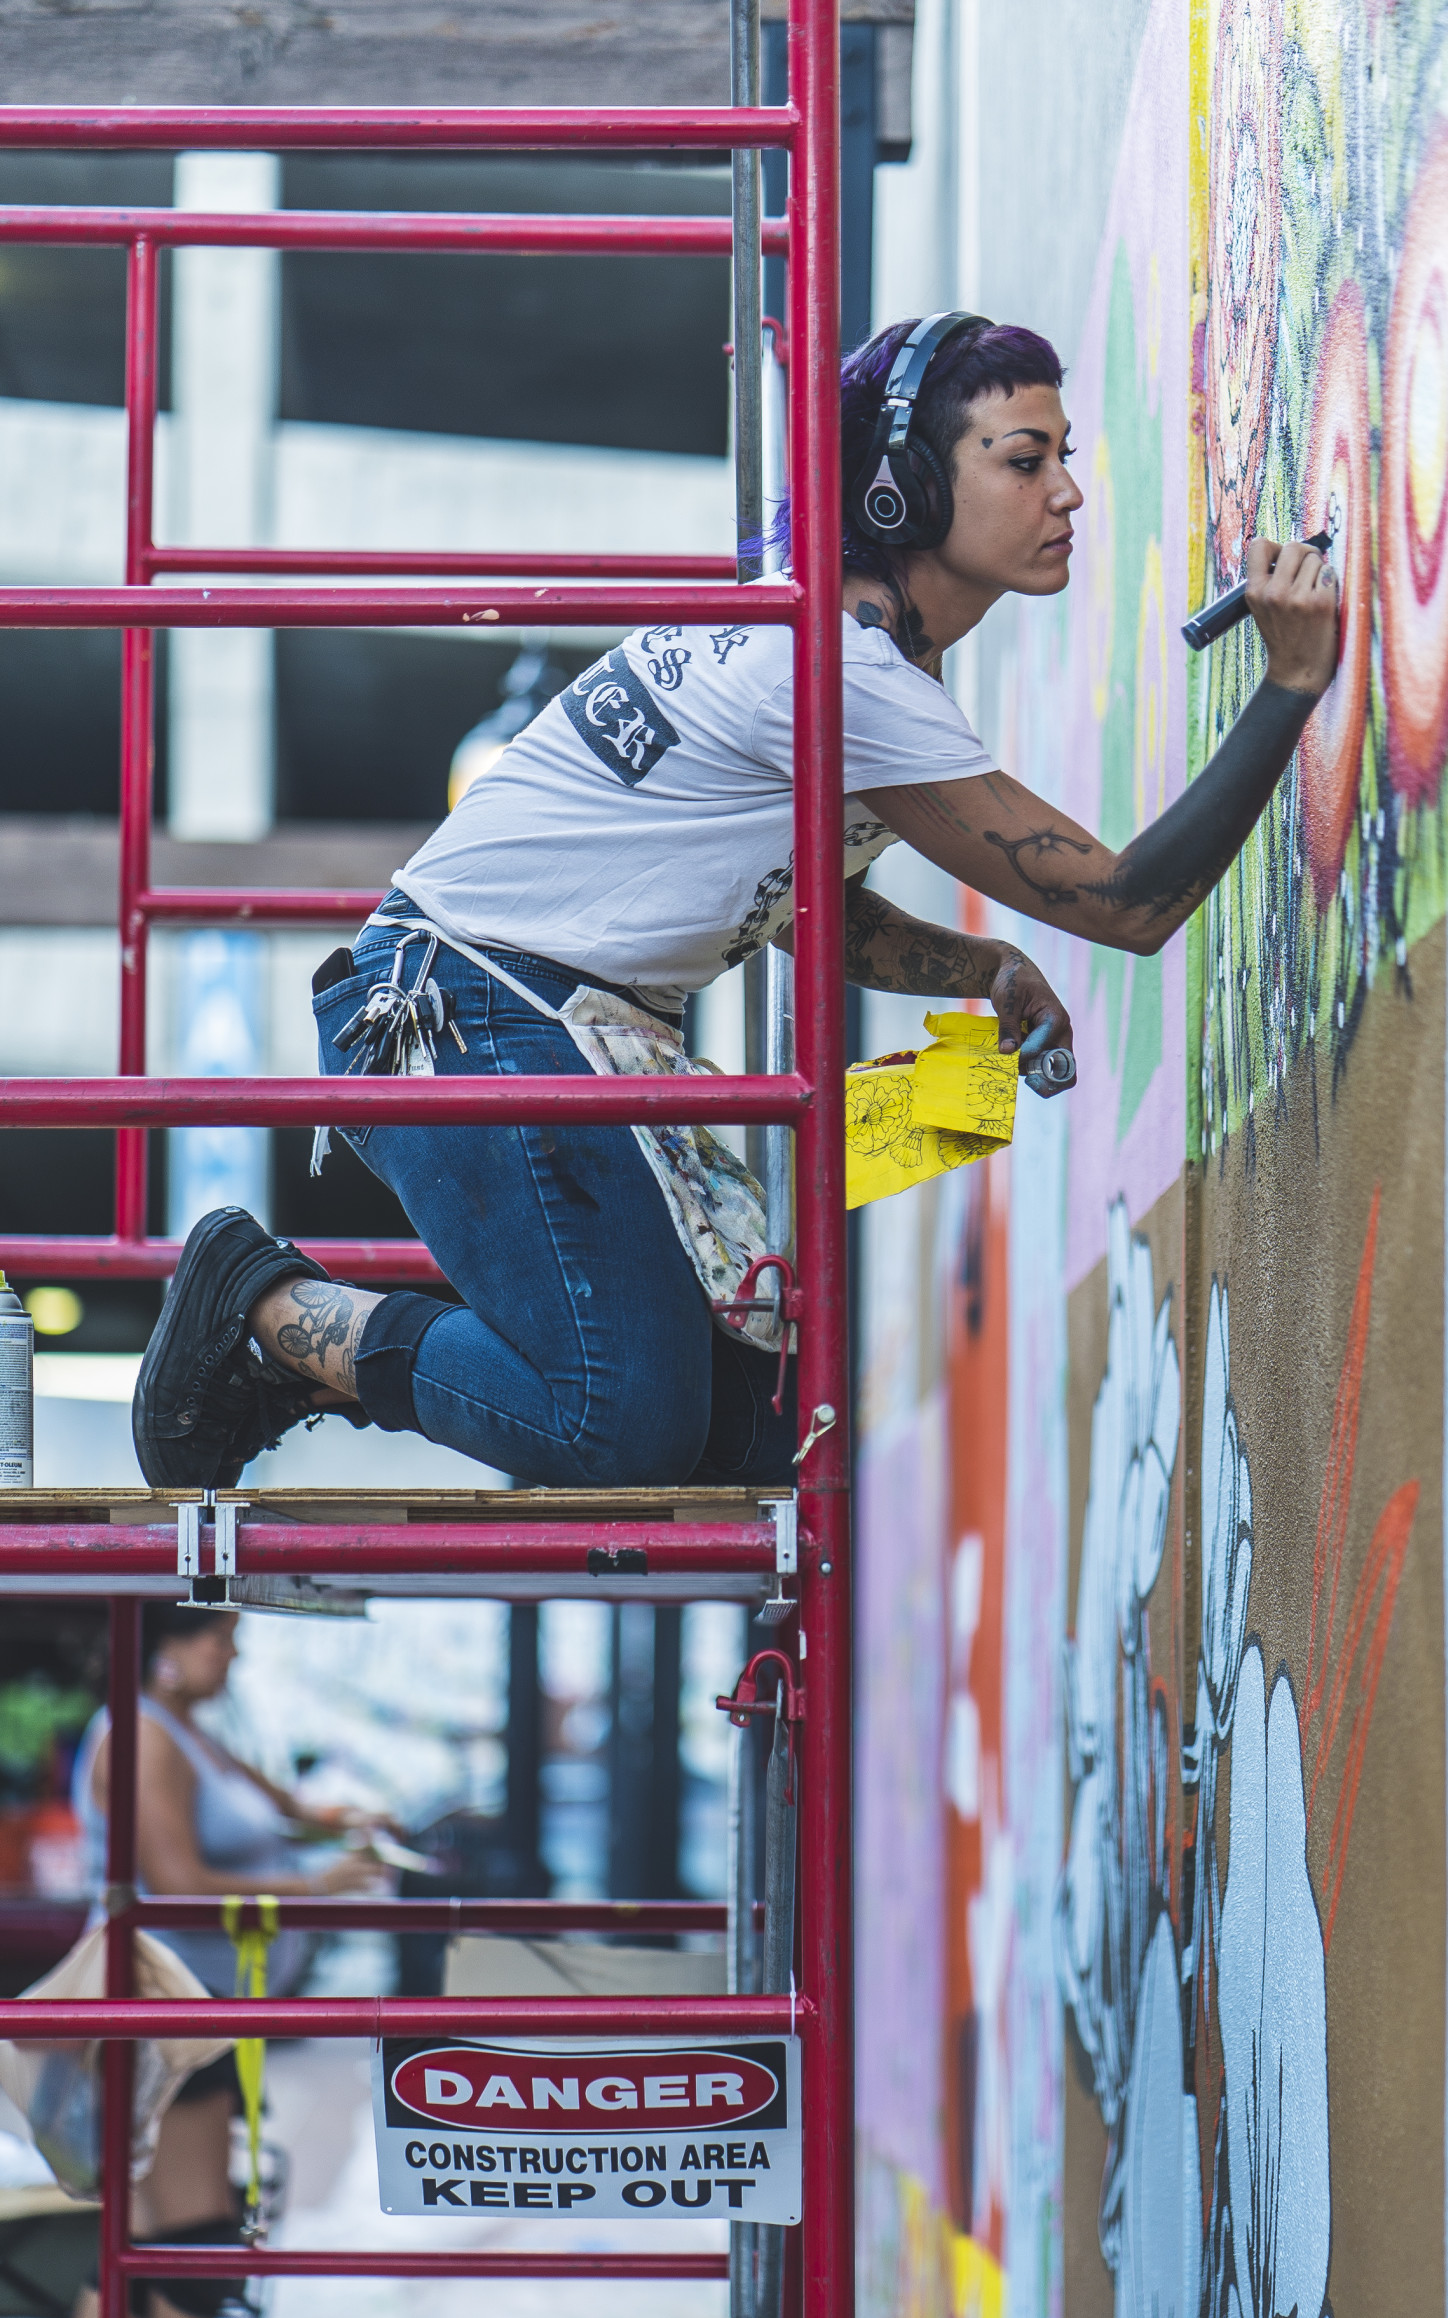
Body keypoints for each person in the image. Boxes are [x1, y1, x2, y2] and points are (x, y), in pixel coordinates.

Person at [131, 312, 1338, 1495]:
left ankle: (302, 1355)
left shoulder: (837, 641)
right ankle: (273, 1307)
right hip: (468, 1009)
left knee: (755, 1433)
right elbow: (1128, 903)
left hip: (535, 1015)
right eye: (1025, 460)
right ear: (901, 489)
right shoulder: (844, 671)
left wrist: (980, 973)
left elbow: (815, 909)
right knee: (618, 1426)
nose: (1067, 490)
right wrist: (1290, 681)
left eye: (1065, 454)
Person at [37, 1607, 379, 2318]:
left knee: (147, 2238)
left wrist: (329, 1828)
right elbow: (178, 1883)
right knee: (187, 2233)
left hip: (195, 2007)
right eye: (219, 1635)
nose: (236, 1648)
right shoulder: (145, 1736)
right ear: (170, 1651)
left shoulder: (188, 1731)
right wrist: (315, 1884)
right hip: (170, 2009)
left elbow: (286, 1812)